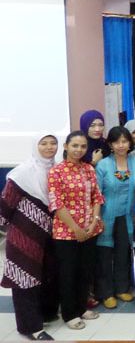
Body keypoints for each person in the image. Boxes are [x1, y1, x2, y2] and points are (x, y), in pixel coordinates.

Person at [0, 134, 60, 340]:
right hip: (24, 235)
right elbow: (6, 205)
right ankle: (30, 327)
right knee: (25, 277)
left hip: (49, 234)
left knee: (47, 274)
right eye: (44, 143)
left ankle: (45, 314)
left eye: (53, 143)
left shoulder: (56, 169)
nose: (49, 147)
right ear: (36, 146)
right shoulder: (22, 173)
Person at [48, 131, 105, 330]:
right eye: (75, 146)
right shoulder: (56, 172)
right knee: (68, 273)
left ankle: (81, 307)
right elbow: (57, 203)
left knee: (85, 271)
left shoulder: (88, 169)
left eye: (82, 146)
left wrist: (93, 222)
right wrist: (75, 228)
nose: (79, 150)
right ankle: (69, 313)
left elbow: (97, 197)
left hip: (90, 230)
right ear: (66, 147)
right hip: (66, 233)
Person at [95, 126, 135, 309]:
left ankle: (121, 288)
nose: (121, 145)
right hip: (106, 215)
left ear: (129, 143)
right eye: (116, 142)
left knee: (123, 252)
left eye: (124, 141)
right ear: (110, 144)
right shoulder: (103, 165)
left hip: (128, 216)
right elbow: (97, 193)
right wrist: (96, 216)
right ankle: (106, 292)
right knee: (104, 255)